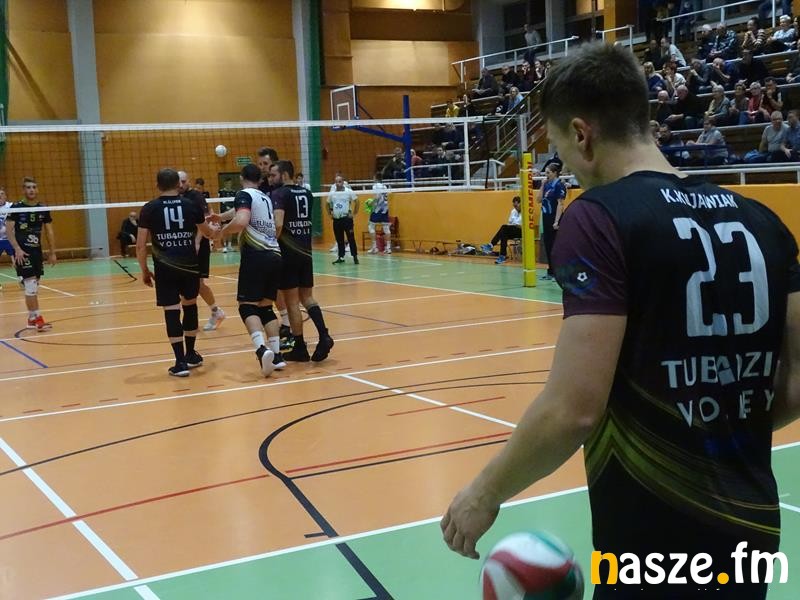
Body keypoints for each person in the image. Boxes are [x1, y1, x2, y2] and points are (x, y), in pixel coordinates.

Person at [441, 42, 800, 599]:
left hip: (652, 543)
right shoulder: (764, 221)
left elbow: (575, 408)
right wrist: (719, 427)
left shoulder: (598, 218)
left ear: (582, 134)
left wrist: (483, 494)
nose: (565, 164)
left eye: (560, 147)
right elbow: (796, 385)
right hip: (751, 532)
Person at [136, 168, 215, 376]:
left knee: (171, 311)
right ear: (178, 184)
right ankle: (191, 354)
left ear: (157, 185)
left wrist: (144, 270)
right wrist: (215, 231)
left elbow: (141, 245)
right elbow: (207, 232)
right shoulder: (191, 205)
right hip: (189, 266)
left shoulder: (149, 208)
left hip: (165, 268)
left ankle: (180, 362)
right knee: (190, 306)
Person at [214, 163, 285, 376]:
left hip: (256, 256)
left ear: (241, 177)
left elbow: (242, 220)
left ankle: (261, 350)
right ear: (260, 179)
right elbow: (240, 211)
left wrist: (221, 232)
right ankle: (277, 356)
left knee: (246, 306)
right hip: (275, 255)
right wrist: (221, 217)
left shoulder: (243, 194)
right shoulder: (264, 197)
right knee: (265, 307)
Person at [270, 160, 335, 362]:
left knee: (292, 302)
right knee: (307, 297)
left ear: (284, 174)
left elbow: (278, 224)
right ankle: (324, 334)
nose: (270, 179)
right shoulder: (306, 193)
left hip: (288, 254)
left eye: (273, 175)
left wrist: (269, 243)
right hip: (306, 252)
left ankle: (299, 347)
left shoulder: (279, 194)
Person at [6, 177, 57, 331]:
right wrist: (17, 249)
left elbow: (49, 231)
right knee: (31, 286)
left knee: (34, 285)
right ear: (23, 190)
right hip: (22, 253)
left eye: (34, 187)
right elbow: (8, 231)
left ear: (37, 189)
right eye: (28, 187)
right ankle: (38, 319)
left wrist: (52, 252)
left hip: (36, 252)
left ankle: (31, 319)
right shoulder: (16, 207)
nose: (32, 190)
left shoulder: (42, 208)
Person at [179, 171, 225, 331]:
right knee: (188, 283)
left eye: (183, 181)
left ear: (188, 181)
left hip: (199, 243)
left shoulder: (196, 196)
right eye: (178, 182)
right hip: (185, 244)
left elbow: (204, 220)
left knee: (197, 283)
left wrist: (197, 242)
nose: (181, 184)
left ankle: (213, 312)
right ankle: (212, 313)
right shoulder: (176, 197)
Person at [538, 163, 565, 279]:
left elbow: (560, 204)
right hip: (546, 217)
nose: (546, 175)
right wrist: (542, 185)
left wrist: (557, 221)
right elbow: (538, 200)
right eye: (546, 173)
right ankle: (551, 271)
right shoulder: (547, 185)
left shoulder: (559, 185)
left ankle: (558, 273)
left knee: (555, 246)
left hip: (555, 218)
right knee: (548, 245)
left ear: (555, 173)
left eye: (548, 173)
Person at [328, 174, 359, 265]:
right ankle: (341, 257)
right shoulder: (332, 193)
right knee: (339, 239)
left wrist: (354, 214)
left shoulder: (348, 191)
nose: (338, 183)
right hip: (337, 219)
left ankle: (355, 257)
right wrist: (330, 214)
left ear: (343, 182)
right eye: (336, 182)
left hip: (346, 219)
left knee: (351, 238)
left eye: (340, 181)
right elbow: (327, 203)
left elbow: (357, 201)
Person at [480, 196, 522, 264]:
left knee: (504, 228)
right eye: (514, 206)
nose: (515, 208)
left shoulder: (526, 212)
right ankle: (502, 256)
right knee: (503, 233)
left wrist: (515, 225)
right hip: (513, 230)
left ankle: (491, 245)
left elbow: (521, 226)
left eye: (516, 206)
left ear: (521, 204)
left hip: (521, 231)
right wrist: (514, 225)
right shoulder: (513, 211)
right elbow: (510, 223)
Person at [367, 172, 391, 254]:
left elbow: (377, 197)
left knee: (371, 226)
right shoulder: (385, 186)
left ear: (375, 178)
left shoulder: (375, 186)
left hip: (377, 209)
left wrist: (371, 203)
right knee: (386, 228)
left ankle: (374, 248)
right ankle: (388, 248)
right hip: (385, 209)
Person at [0, 189, 14, 290]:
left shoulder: (11, 206)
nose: (0, 196)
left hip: (11, 238)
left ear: (5, 196)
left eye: (2, 194)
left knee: (17, 260)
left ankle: (22, 278)